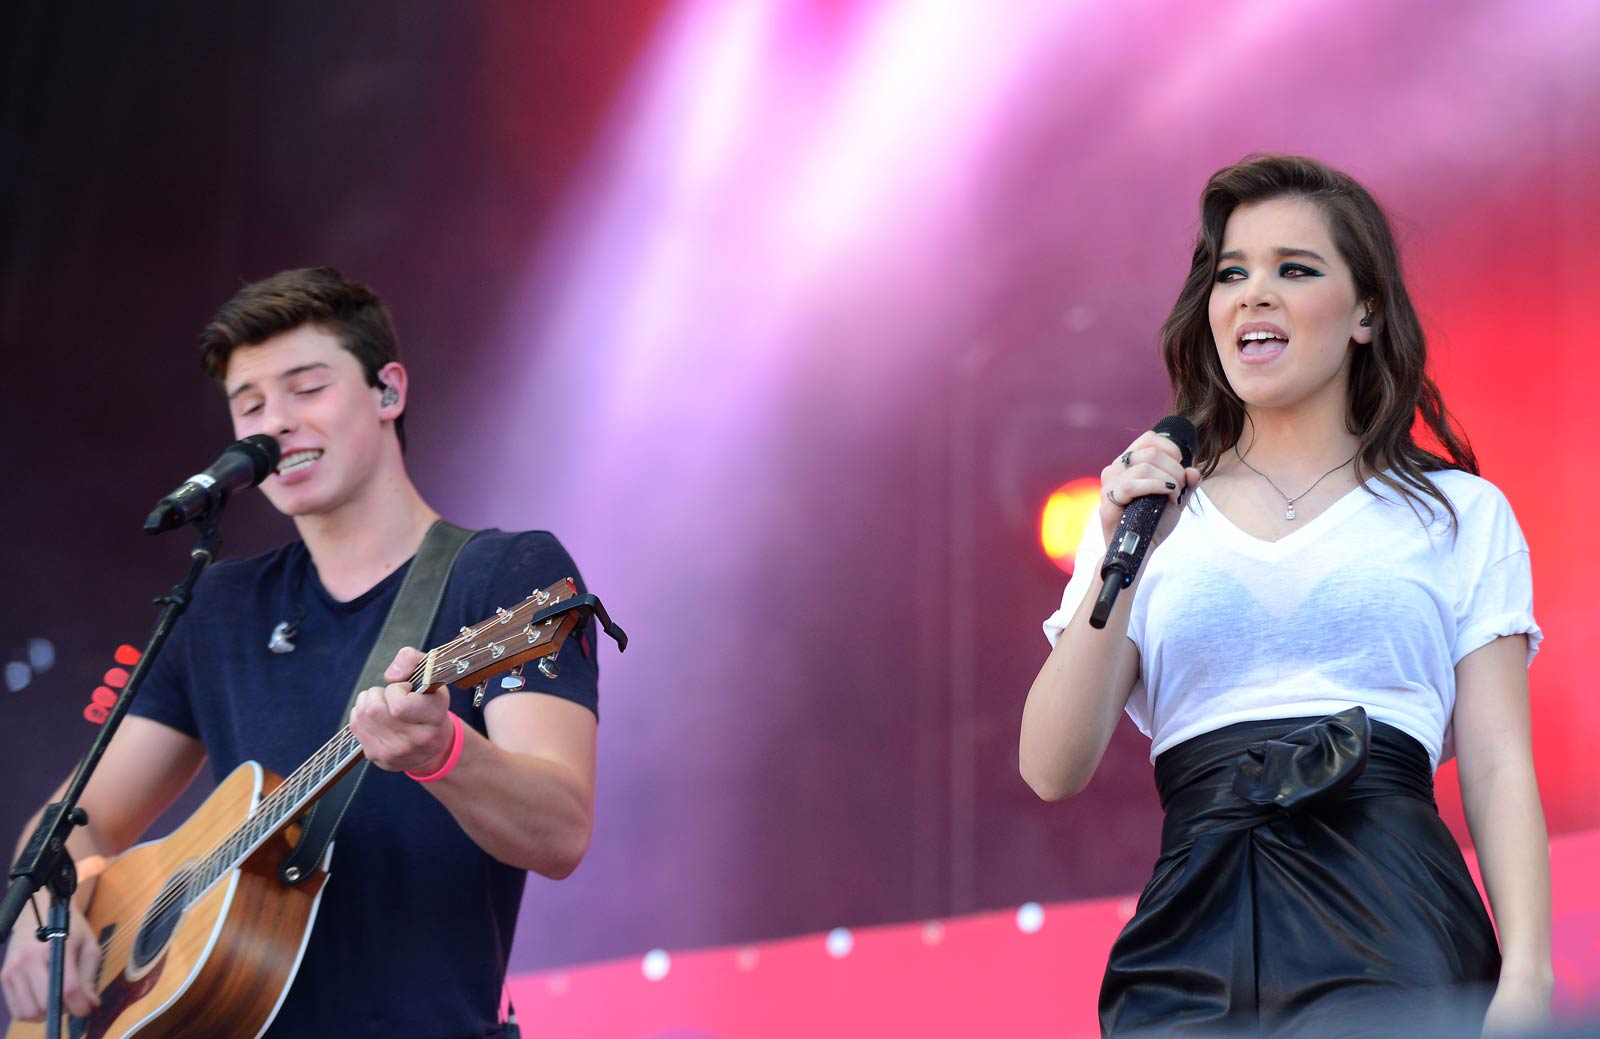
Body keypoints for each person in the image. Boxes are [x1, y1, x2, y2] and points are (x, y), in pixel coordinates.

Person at [1019, 155, 1550, 1038]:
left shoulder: (1458, 512)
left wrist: (1527, 979)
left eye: (1293, 269)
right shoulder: (1148, 512)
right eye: (1233, 273)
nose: (1253, 294)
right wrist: (1127, 543)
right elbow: (1050, 764)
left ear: (1367, 313)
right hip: (1191, 930)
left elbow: (1498, 764)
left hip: (1391, 918)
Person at [1, 267, 601, 1037]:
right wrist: (41, 912)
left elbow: (560, 833)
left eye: (305, 388)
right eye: (248, 405)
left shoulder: (505, 576)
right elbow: (77, 820)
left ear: (388, 392)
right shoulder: (217, 606)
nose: (272, 422)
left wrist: (444, 752)